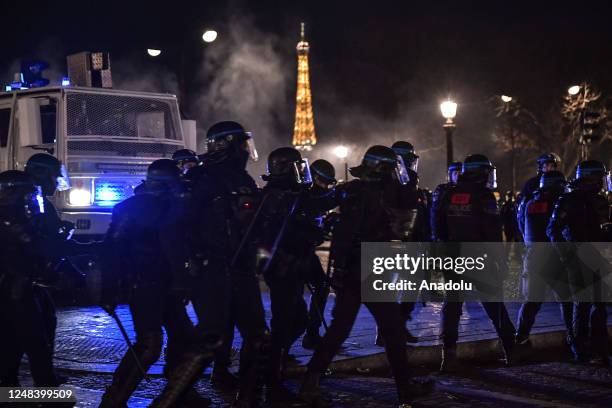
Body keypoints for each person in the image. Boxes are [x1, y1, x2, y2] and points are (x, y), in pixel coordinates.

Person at [299, 146, 433, 406]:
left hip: (352, 269)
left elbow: (315, 205)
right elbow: (407, 202)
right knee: (391, 329)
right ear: (382, 169)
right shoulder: (386, 191)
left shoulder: (351, 190)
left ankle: (310, 380)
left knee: (341, 329)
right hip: (370, 268)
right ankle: (404, 388)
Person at [161, 121, 269, 408]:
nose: (246, 150)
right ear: (228, 145)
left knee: (257, 335)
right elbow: (176, 228)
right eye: (242, 144)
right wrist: (186, 269)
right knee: (212, 338)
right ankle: (173, 397)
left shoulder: (243, 179)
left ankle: (248, 398)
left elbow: (252, 226)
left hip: (241, 268)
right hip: (211, 268)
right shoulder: (201, 178)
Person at [99, 159, 205, 407]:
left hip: (169, 286)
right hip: (145, 284)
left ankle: (180, 393)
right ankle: (114, 399)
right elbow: (112, 250)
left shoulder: (178, 208)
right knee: (149, 344)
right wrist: (109, 290)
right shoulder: (131, 209)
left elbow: (182, 247)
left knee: (185, 340)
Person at [433, 154, 516, 371]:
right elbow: (492, 232)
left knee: (452, 307)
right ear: (481, 173)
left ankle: (448, 356)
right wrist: (501, 261)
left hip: (452, 255)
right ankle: (512, 350)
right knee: (494, 305)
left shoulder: (447, 193)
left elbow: (437, 227)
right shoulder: (484, 196)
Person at [258, 147, 322, 404]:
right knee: (284, 322)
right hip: (284, 267)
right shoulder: (276, 198)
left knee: (298, 320)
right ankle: (271, 379)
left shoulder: (287, 195)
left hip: (292, 265)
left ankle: (276, 359)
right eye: (296, 167)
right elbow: (280, 234)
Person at [547, 160, 611, 366]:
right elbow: (553, 229)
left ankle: (601, 348)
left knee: (600, 306)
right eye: (599, 177)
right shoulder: (568, 199)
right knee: (582, 305)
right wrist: (566, 254)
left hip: (599, 258)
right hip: (577, 258)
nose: (602, 182)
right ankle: (580, 349)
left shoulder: (601, 201)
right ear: (591, 178)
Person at [0, 170, 60, 387]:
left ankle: (9, 391)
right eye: (26, 194)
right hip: (17, 291)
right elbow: (35, 250)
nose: (30, 199)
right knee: (36, 345)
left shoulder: (16, 216)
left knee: (12, 344)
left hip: (19, 289)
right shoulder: (10, 219)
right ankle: (48, 394)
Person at [514, 171, 574, 355]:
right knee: (567, 300)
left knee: (531, 301)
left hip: (533, 256)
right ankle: (573, 338)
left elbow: (521, 224)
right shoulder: (560, 202)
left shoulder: (529, 201)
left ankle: (520, 339)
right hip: (555, 256)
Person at [302, 159, 338, 350]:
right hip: (293, 252)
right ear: (314, 178)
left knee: (322, 286)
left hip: (305, 250)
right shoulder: (305, 195)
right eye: (324, 182)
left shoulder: (314, 196)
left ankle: (312, 332)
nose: (326, 187)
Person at [518, 153, 560, 225]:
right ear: (540, 167)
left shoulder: (559, 183)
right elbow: (522, 210)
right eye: (546, 166)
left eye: (552, 166)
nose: (549, 169)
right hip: (537, 225)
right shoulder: (531, 184)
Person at [430, 162, 462, 241]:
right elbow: (435, 212)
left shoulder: (466, 190)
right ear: (450, 175)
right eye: (455, 173)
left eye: (460, 173)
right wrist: (436, 234)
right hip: (445, 231)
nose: (458, 175)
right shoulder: (443, 189)